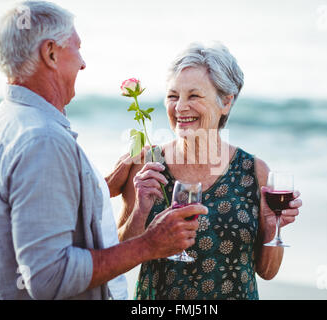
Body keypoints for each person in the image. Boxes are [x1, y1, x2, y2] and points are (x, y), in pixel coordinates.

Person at [0, 1, 207, 300]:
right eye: (77, 48)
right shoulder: (42, 140)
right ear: (51, 53)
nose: (83, 63)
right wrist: (150, 244)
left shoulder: (5, 120)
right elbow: (48, 278)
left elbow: (40, 207)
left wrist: (101, 185)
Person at [117, 42, 303, 300]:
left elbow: (268, 271)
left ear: (226, 102)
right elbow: (117, 259)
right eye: (173, 96)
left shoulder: (254, 172)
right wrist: (140, 211)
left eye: (193, 96)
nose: (180, 107)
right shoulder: (147, 164)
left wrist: (272, 227)